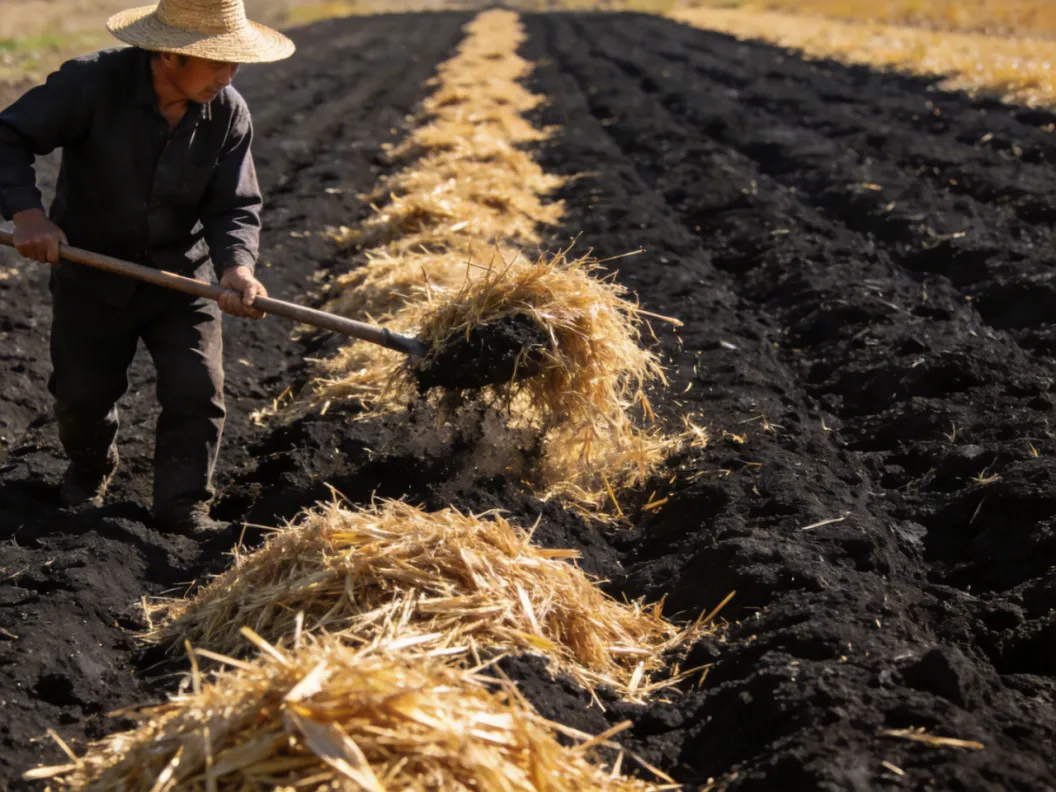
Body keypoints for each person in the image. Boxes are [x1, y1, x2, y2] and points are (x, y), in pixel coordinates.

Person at [0, 0, 295, 535]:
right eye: (216, 62)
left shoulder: (227, 111)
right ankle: (90, 469)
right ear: (169, 54)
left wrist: (237, 269)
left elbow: (234, 205)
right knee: (82, 396)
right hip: (91, 271)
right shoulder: (91, 84)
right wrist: (27, 215)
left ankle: (183, 505)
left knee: (197, 392)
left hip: (182, 278)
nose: (228, 77)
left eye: (235, 64)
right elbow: (7, 136)